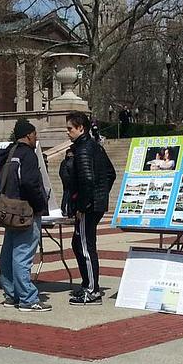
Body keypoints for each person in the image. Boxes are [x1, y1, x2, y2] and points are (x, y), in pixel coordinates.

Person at [60, 111, 117, 306]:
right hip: (93, 203)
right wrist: (101, 195)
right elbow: (110, 174)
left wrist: (85, 204)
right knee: (78, 244)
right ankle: (87, 284)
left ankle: (92, 290)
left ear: (80, 128)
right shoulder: (93, 147)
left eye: (70, 129)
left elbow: (87, 179)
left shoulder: (84, 149)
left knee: (85, 246)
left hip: (87, 206)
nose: (67, 132)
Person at [0, 120, 51, 312]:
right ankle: (28, 299)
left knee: (8, 253)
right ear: (28, 135)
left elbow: (0, 178)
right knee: (23, 254)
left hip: (8, 209)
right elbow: (29, 183)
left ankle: (11, 294)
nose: (36, 138)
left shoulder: (9, 152)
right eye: (35, 134)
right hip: (25, 211)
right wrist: (40, 205)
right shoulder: (28, 154)